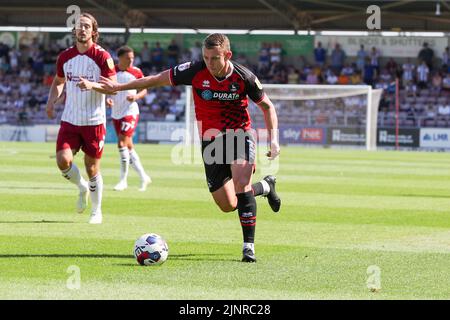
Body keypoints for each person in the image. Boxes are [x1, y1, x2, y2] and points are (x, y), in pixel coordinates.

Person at [98, 33, 281, 263]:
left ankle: (248, 248)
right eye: (205, 57)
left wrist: (273, 140)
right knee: (228, 204)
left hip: (238, 135)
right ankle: (265, 185)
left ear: (228, 55)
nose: (209, 63)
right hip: (210, 142)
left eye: (214, 58)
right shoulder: (194, 70)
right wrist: (118, 86)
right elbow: (154, 79)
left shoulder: (244, 77)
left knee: (240, 182)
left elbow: (267, 107)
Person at [45, 13, 117, 224]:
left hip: (94, 121)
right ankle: (81, 187)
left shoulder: (103, 57)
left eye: (86, 26)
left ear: (93, 31)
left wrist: (93, 85)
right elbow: (59, 81)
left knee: (92, 168)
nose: (82, 29)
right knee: (62, 161)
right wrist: (51, 101)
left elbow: (113, 88)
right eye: (78, 26)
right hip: (70, 119)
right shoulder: (65, 57)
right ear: (74, 30)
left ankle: (97, 211)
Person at [107, 46, 151, 192]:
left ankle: (123, 181)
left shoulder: (136, 72)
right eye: (128, 58)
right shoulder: (111, 71)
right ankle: (144, 177)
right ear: (119, 58)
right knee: (129, 147)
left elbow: (145, 89)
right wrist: (108, 99)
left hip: (130, 112)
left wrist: (136, 97)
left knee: (121, 143)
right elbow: (107, 89)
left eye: (132, 57)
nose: (131, 60)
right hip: (116, 113)